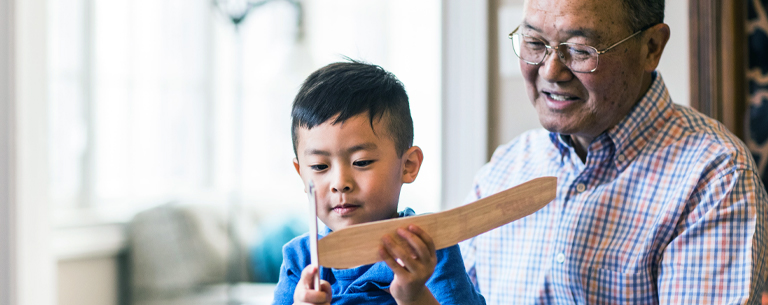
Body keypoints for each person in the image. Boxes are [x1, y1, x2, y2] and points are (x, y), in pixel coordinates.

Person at [459, 0, 768, 304]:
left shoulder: (714, 178)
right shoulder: (506, 168)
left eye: (580, 50)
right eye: (535, 43)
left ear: (651, 47)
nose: (551, 71)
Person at [272, 61, 486, 305]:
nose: (340, 183)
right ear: (301, 174)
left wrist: (414, 295)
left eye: (361, 162)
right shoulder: (299, 260)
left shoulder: (429, 247)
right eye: (320, 167)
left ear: (408, 165)